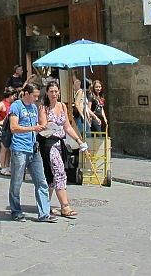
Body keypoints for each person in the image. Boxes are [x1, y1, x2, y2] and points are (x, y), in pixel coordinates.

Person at [39, 81, 88, 218]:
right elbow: (43, 127)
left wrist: (79, 141)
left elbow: (67, 126)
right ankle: (65, 206)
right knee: (59, 171)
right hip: (49, 144)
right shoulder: (44, 108)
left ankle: (45, 204)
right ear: (47, 93)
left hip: (61, 144)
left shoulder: (62, 106)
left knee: (51, 176)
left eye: (56, 91)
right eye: (51, 92)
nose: (54, 94)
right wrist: (50, 125)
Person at [9, 83, 55, 223]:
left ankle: (44, 213)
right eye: (34, 96)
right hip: (20, 149)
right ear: (26, 94)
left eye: (37, 96)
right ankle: (16, 211)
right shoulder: (16, 106)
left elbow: (35, 127)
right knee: (17, 182)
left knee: (41, 181)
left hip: (34, 149)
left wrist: (43, 129)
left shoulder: (34, 108)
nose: (36, 98)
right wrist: (33, 128)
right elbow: (13, 127)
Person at [0, 87, 17, 176]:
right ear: (10, 95)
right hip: (4, 129)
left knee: (8, 149)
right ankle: (3, 167)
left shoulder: (11, 104)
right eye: (14, 95)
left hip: (10, 129)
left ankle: (7, 166)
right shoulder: (2, 104)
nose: (15, 97)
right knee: (4, 148)